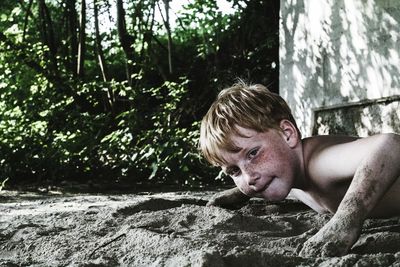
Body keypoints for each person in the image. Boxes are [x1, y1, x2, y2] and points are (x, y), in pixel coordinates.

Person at [198, 81, 400, 257]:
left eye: (252, 154)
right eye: (234, 171)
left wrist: (346, 219)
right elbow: (267, 184)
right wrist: (240, 194)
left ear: (287, 134)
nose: (249, 177)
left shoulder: (318, 163)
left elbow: (389, 145)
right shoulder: (289, 178)